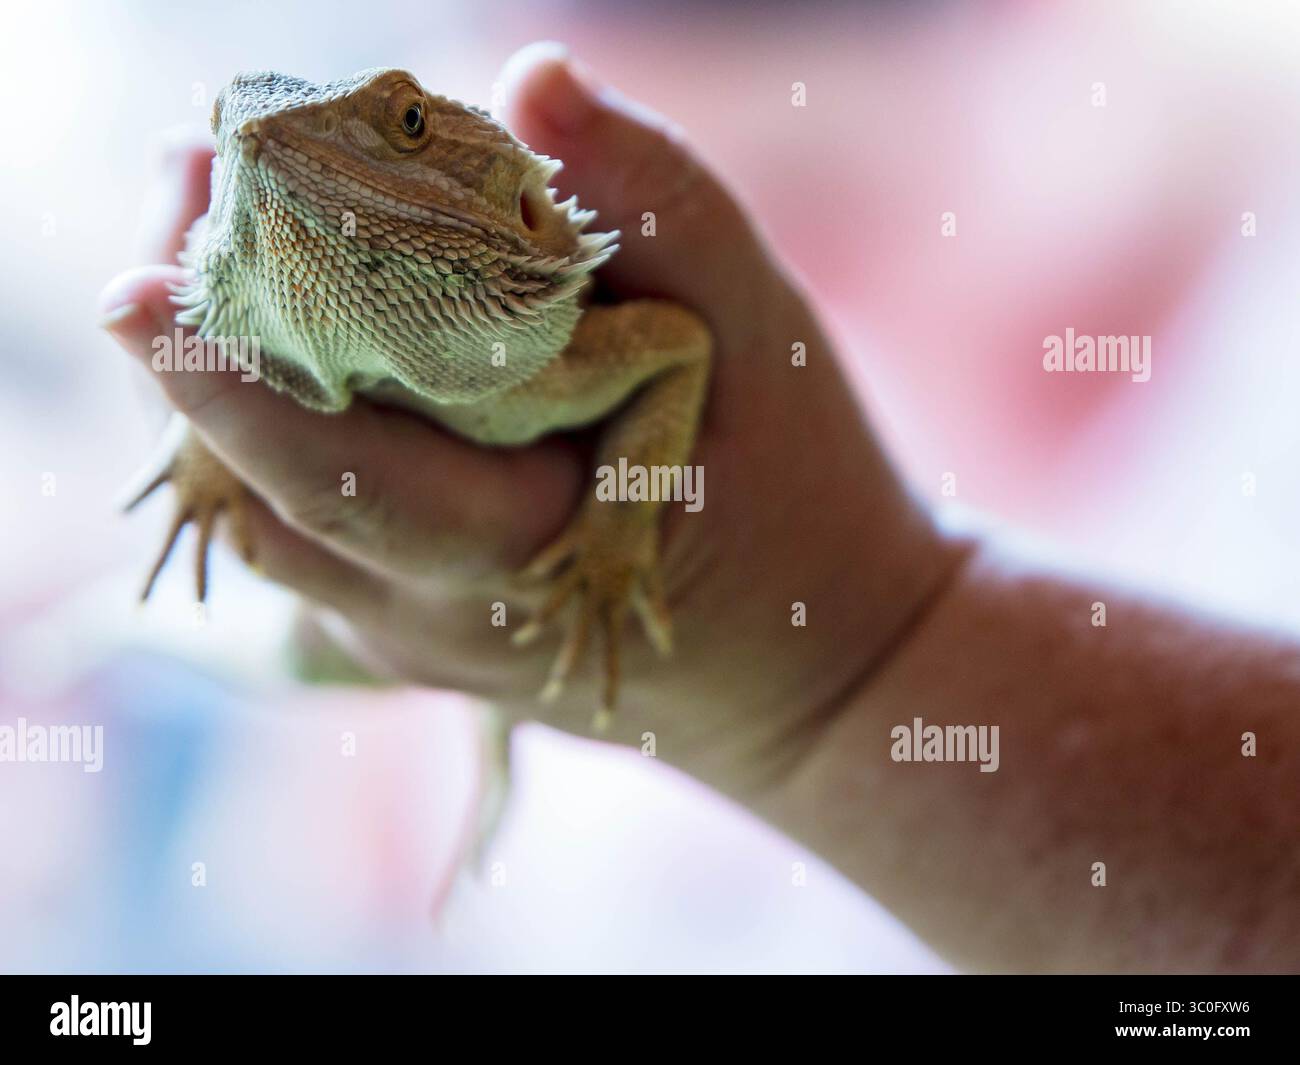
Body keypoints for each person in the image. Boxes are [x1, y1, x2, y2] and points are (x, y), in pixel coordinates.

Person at [99, 43, 1300, 973]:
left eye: (406, 126)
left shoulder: (1225, 355)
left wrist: (769, 616)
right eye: (236, 132)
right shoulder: (273, 304)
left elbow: (668, 348)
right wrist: (205, 455)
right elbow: (210, 352)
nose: (265, 143)